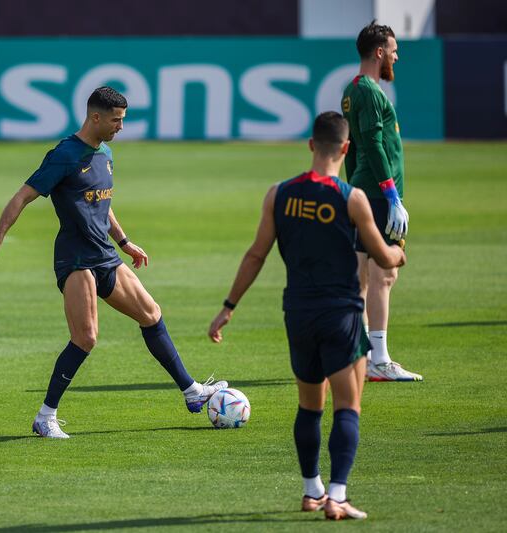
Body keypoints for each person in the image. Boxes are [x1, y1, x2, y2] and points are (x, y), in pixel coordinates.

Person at [0, 86, 227, 439]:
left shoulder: (105, 153)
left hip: (105, 256)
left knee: (151, 314)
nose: (121, 127)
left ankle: (191, 392)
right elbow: (23, 196)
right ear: (95, 117)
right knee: (86, 338)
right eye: (116, 120)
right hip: (76, 258)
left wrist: (125, 242)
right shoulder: (64, 154)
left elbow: (101, 203)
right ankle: (45, 416)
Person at [208, 112, 406, 519]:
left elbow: (256, 254)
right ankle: (337, 495)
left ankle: (310, 489)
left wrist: (228, 307)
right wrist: (399, 250)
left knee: (310, 407)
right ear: (346, 149)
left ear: (312, 145)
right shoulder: (352, 198)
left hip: (298, 312)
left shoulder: (278, 194)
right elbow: (383, 256)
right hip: (342, 314)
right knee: (348, 407)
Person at [341, 21, 422, 381]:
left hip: (364, 192)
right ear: (379, 52)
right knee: (384, 275)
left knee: (359, 277)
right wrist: (390, 195)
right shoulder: (371, 93)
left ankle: (358, 352)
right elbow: (372, 145)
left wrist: (352, 188)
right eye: (393, 49)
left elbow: (352, 149)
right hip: (377, 195)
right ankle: (379, 358)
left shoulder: (352, 90)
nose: (396, 55)